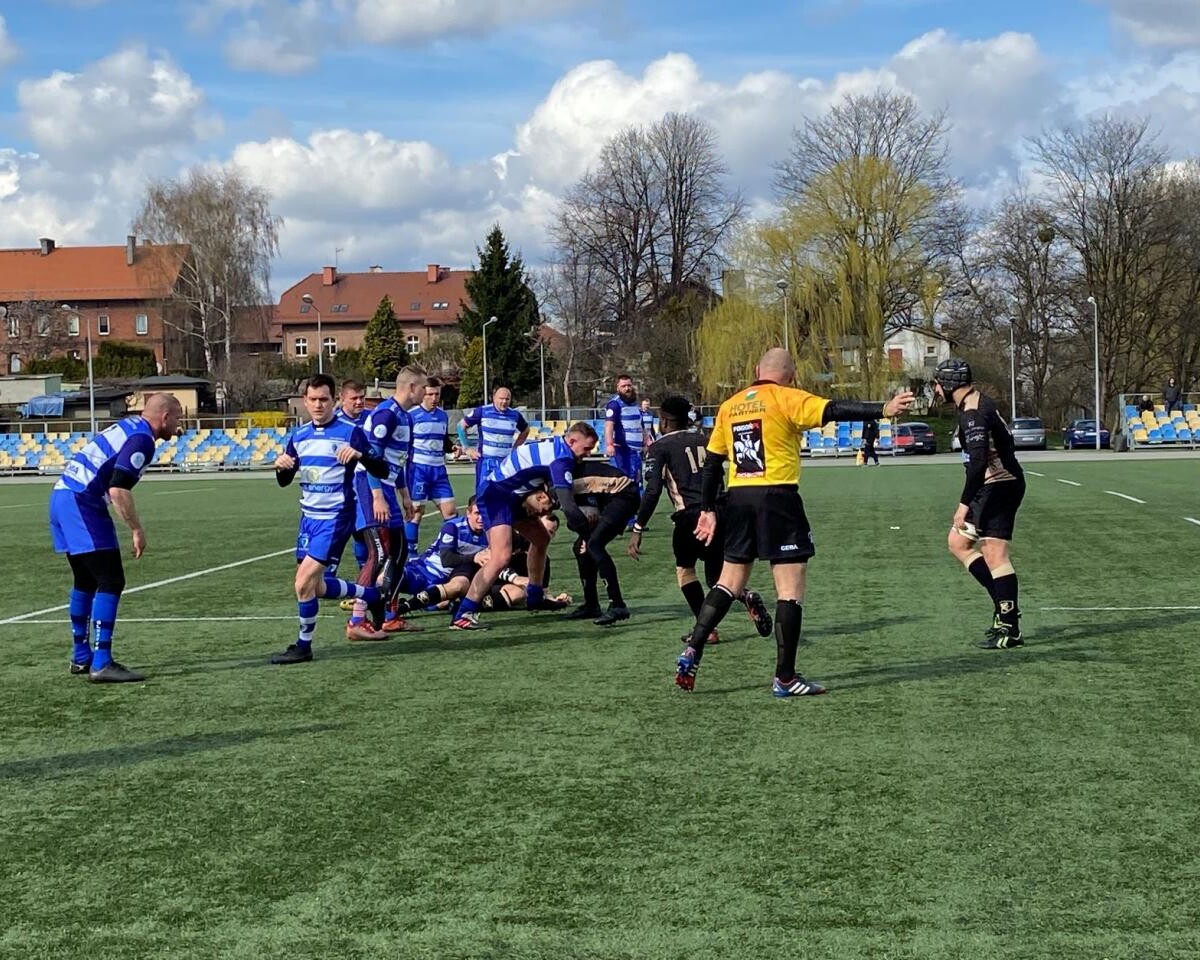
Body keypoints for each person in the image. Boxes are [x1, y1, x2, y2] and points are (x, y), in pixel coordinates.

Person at [675, 348, 914, 696]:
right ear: (791, 375)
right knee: (790, 589)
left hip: (737, 499)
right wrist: (883, 409)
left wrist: (708, 509)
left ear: (756, 369)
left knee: (728, 582)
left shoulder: (730, 405)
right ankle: (785, 678)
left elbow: (712, 464)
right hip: (777, 497)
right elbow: (833, 409)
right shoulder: (786, 397)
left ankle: (694, 647)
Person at [48, 393, 183, 683]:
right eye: (178, 418)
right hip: (82, 502)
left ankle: (81, 656)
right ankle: (101, 662)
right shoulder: (143, 439)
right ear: (165, 417)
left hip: (63, 495)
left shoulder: (130, 425)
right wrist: (136, 529)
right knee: (111, 580)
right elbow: (118, 489)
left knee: (86, 580)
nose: (179, 425)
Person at [628, 395, 771, 644]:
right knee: (717, 579)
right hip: (722, 512)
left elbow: (653, 490)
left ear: (664, 421)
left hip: (691, 516)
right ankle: (745, 595)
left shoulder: (660, 447)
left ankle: (706, 630)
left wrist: (638, 527)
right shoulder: (707, 441)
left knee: (685, 570)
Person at [270, 374, 392, 665]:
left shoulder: (350, 432)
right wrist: (281, 467)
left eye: (323, 399)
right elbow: (284, 481)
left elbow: (382, 469)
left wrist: (360, 455)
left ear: (334, 400)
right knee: (317, 587)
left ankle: (304, 646)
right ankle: (371, 595)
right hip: (308, 519)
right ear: (305, 401)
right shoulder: (299, 436)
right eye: (312, 399)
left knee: (302, 584)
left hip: (336, 517)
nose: (317, 405)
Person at [452, 422, 599, 630]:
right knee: (501, 557)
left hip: (511, 496)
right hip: (497, 496)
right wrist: (588, 536)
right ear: (572, 441)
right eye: (586, 449)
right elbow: (568, 507)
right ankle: (463, 614)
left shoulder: (557, 446)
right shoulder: (562, 459)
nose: (588, 454)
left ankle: (535, 597)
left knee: (541, 539)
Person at [935, 358, 1026, 650]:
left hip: (999, 486)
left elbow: (977, 462)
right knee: (958, 543)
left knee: (995, 553)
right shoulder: (972, 404)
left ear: (949, 384)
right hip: (991, 487)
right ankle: (1002, 609)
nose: (935, 389)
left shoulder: (973, 412)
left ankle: (1010, 627)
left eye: (938, 383)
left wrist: (963, 504)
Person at [346, 364, 426, 636]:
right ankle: (357, 620)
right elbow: (372, 459)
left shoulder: (406, 418)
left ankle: (390, 615)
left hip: (389, 488)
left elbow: (397, 461)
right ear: (412, 387)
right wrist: (377, 496)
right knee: (379, 552)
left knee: (400, 552)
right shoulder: (386, 415)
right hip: (370, 487)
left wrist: (405, 496)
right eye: (423, 387)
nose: (426, 392)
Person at [561, 461, 639, 625]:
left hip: (623, 495)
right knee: (581, 548)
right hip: (610, 497)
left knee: (594, 545)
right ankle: (591, 604)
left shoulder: (558, 485)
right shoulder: (561, 480)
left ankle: (618, 604)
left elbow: (578, 516)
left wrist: (585, 533)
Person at [405, 378, 457, 551]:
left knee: (451, 512)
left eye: (437, 394)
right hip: (418, 470)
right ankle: (410, 554)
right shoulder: (411, 416)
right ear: (422, 394)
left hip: (439, 471)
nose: (434, 398)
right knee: (416, 512)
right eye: (430, 394)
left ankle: (447, 549)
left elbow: (443, 440)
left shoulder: (443, 415)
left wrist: (452, 447)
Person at [336, 379, 371, 599]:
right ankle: (326, 574)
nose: (359, 402)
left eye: (361, 397)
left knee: (362, 532)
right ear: (342, 399)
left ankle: (364, 577)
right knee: (341, 532)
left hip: (367, 482)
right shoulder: (335, 422)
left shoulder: (371, 418)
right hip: (341, 486)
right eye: (354, 398)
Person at [457, 385, 530, 487]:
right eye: (501, 398)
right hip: (486, 462)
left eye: (507, 399)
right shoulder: (482, 411)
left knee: (505, 493)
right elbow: (461, 426)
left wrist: (515, 448)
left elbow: (526, 430)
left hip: (506, 462)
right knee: (483, 493)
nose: (504, 402)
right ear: (494, 398)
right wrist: (467, 448)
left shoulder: (515, 415)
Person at [604, 374, 646, 490]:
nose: (627, 388)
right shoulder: (614, 404)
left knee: (638, 482)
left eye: (629, 385)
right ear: (618, 388)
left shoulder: (635, 404)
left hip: (637, 451)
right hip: (623, 450)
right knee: (623, 483)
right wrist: (609, 444)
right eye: (623, 386)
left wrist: (646, 441)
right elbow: (609, 425)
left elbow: (640, 424)